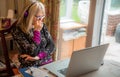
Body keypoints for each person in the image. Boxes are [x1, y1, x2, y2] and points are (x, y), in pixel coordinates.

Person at [11, 1, 55, 68]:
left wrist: (38, 57)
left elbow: (52, 46)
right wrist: (37, 32)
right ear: (27, 14)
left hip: (47, 63)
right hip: (31, 66)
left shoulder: (42, 25)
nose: (41, 20)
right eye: (38, 17)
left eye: (42, 16)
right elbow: (32, 52)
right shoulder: (17, 30)